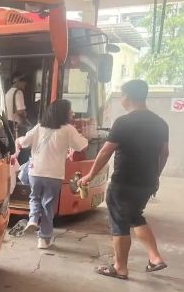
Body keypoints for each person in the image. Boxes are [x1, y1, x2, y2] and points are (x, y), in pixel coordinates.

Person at [80, 79, 169, 280]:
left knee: (119, 223)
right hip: (147, 183)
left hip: (124, 181)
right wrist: (155, 176)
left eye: (122, 95)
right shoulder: (160, 123)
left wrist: (90, 175)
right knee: (135, 216)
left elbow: (106, 151)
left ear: (127, 96)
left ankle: (120, 268)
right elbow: (164, 153)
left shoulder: (123, 122)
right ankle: (155, 258)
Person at [18, 99, 88, 249]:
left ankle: (33, 219)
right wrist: (84, 138)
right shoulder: (68, 129)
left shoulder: (39, 127)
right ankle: (43, 240)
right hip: (54, 174)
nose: (72, 113)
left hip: (35, 172)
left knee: (34, 198)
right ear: (63, 112)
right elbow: (80, 146)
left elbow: (23, 143)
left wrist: (19, 138)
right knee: (48, 206)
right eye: (70, 110)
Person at [5, 73, 28, 138]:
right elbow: (20, 111)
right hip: (15, 124)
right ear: (17, 81)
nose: (25, 84)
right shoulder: (18, 92)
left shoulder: (7, 93)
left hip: (7, 123)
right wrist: (25, 113)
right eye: (23, 82)